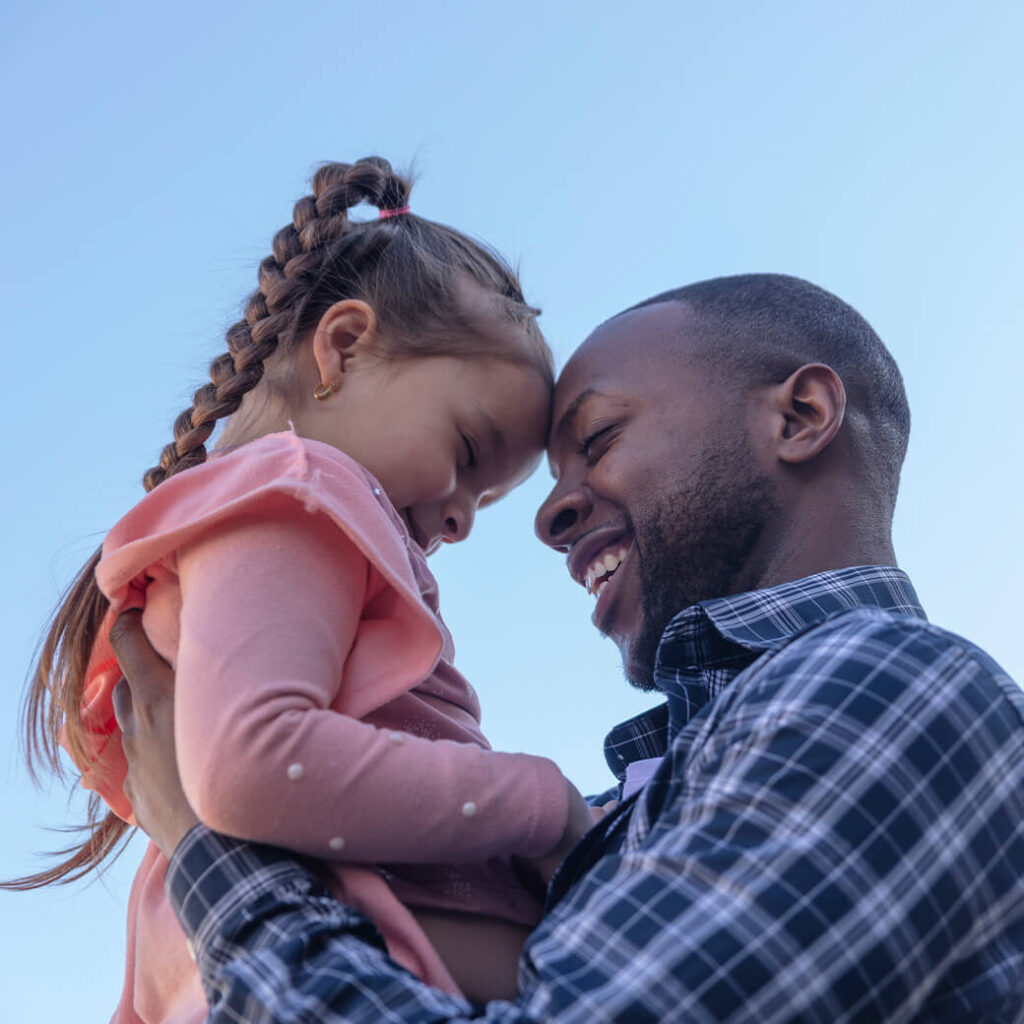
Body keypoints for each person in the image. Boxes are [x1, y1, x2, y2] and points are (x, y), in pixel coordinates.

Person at [111, 273, 1024, 1022]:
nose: (550, 515)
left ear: (800, 416)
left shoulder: (885, 690)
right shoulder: (647, 795)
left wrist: (207, 849)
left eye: (600, 438)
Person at [4, 158, 603, 1021]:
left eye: (487, 503)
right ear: (344, 346)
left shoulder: (276, 510)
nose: (464, 520)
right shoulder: (300, 484)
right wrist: (548, 806)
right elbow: (253, 763)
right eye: (469, 455)